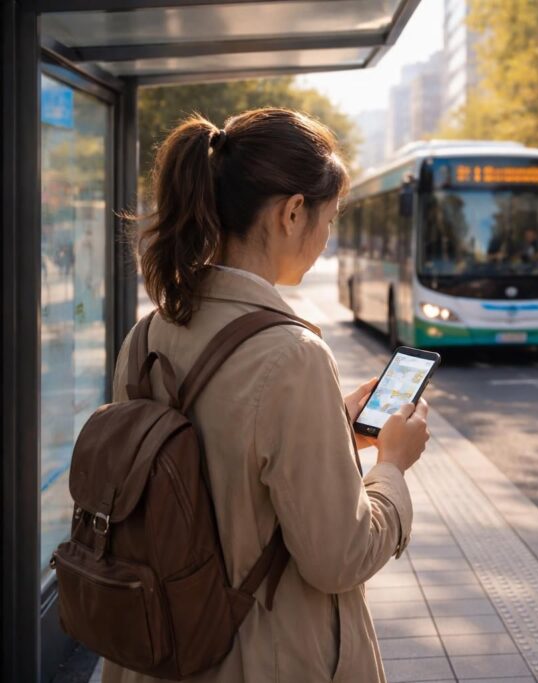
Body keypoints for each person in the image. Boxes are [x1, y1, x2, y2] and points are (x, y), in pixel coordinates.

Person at [106, 109, 430, 683]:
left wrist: (330, 427)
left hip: (153, 651)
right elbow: (339, 556)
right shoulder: (292, 356)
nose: (327, 239)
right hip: (260, 658)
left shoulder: (147, 335)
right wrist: (393, 467)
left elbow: (221, 463)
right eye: (328, 219)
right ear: (292, 212)